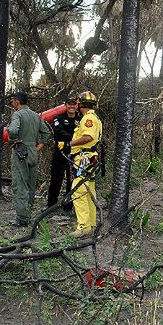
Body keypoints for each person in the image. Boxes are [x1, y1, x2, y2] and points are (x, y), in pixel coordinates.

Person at [58, 91, 102, 238]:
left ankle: (83, 227)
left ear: (81, 104)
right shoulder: (93, 117)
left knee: (78, 191)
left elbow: (88, 137)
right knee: (89, 191)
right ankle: (90, 224)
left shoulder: (88, 119)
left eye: (77, 103)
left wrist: (69, 143)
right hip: (88, 158)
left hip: (85, 159)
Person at [7, 92, 51, 227]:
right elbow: (47, 133)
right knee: (31, 185)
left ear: (17, 102)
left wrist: (10, 132)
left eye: (13, 101)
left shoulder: (17, 114)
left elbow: (13, 131)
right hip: (33, 151)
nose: (12, 104)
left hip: (20, 150)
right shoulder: (36, 116)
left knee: (20, 184)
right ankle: (28, 212)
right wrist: (38, 147)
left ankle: (22, 219)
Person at [45, 92, 81, 214]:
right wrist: (74, 138)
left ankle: (68, 206)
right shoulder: (58, 118)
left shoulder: (81, 119)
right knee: (56, 180)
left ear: (77, 106)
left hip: (74, 154)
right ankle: (51, 205)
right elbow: (58, 133)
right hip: (60, 153)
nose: (72, 107)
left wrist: (73, 140)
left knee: (72, 180)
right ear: (65, 105)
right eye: (69, 104)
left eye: (74, 104)